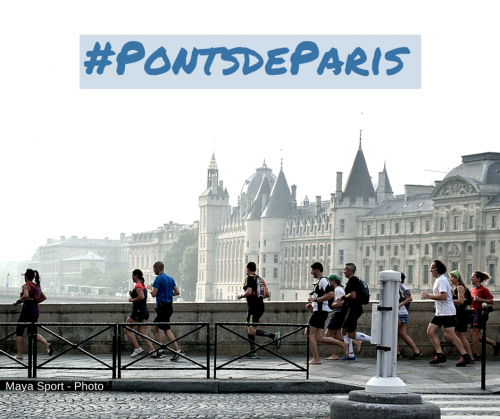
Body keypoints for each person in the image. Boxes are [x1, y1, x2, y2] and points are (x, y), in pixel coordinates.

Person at [421, 260, 471, 367]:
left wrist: (429, 296)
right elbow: (448, 294)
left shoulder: (441, 280)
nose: (430, 270)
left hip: (447, 311)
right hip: (440, 312)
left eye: (432, 268)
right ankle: (440, 354)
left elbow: (443, 296)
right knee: (431, 331)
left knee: (451, 335)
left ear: (438, 269)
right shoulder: (440, 280)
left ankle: (465, 355)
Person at [305, 262, 348, 365]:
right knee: (319, 337)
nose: (311, 273)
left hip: (320, 312)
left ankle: (316, 358)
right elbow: (324, 297)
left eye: (312, 270)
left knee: (308, 333)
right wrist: (313, 304)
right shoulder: (322, 281)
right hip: (321, 311)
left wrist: (315, 299)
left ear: (317, 270)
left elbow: (330, 295)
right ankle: (343, 345)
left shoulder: (323, 281)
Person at [237, 262, 280, 359]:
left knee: (251, 330)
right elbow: (267, 294)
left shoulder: (249, 278)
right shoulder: (260, 279)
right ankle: (253, 351)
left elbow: (248, 292)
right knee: (247, 326)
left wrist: (240, 296)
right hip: (260, 306)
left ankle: (273, 336)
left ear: (247, 269)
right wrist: (258, 298)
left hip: (254, 307)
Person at [147, 261, 184, 362]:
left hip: (162, 307)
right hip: (169, 307)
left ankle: (177, 351)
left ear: (158, 268)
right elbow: (177, 292)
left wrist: (150, 288)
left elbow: (154, 294)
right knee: (154, 328)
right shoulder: (170, 278)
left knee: (166, 330)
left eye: (154, 268)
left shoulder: (158, 279)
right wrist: (168, 294)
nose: (153, 270)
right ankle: (161, 350)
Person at [13, 269, 52, 360]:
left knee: (19, 332)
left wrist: (18, 302)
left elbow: (26, 296)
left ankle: (20, 354)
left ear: (26, 277)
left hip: (26, 312)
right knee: (32, 333)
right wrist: (34, 303)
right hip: (35, 312)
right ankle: (46, 344)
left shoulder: (26, 286)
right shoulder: (37, 286)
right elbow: (44, 297)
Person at [339, 263, 371, 363]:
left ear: (350, 270)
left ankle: (374, 339)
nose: (343, 271)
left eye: (345, 269)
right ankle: (350, 354)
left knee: (350, 334)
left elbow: (353, 296)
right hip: (352, 308)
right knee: (343, 330)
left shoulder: (353, 280)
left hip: (354, 308)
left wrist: (343, 297)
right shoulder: (353, 280)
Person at [325, 274, 361, 360]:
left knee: (328, 334)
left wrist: (330, 305)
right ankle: (356, 343)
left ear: (332, 281)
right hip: (342, 313)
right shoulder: (340, 289)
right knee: (338, 335)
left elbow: (339, 303)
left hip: (338, 313)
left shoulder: (337, 290)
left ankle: (335, 354)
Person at [124, 269, 155, 357]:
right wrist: (133, 295)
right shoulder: (142, 285)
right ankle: (152, 350)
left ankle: (137, 348)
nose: (132, 277)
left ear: (136, 276)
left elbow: (141, 297)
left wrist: (131, 299)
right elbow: (141, 296)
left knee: (126, 329)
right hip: (144, 311)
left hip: (138, 311)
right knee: (142, 332)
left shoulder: (137, 286)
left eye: (132, 276)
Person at [470, 270, 496, 361]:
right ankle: (495, 344)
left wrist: (479, 299)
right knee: (478, 336)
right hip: (474, 314)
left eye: (473, 277)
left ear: (478, 279)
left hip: (481, 314)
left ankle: (477, 354)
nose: (471, 278)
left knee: (473, 333)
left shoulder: (483, 289)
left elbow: (491, 301)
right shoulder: (472, 290)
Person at [449, 270, 474, 362]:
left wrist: (448, 301)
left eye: (452, 277)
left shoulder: (460, 287)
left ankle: (470, 357)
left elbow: (461, 301)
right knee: (456, 335)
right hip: (461, 314)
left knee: (461, 336)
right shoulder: (456, 288)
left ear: (457, 278)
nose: (450, 279)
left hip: (463, 314)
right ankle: (468, 356)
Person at [396, 272, 422, 360]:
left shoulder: (402, 287)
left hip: (401, 313)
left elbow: (410, 298)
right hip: (402, 313)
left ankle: (397, 352)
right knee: (403, 335)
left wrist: (399, 305)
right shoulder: (400, 287)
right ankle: (416, 351)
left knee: (392, 332)